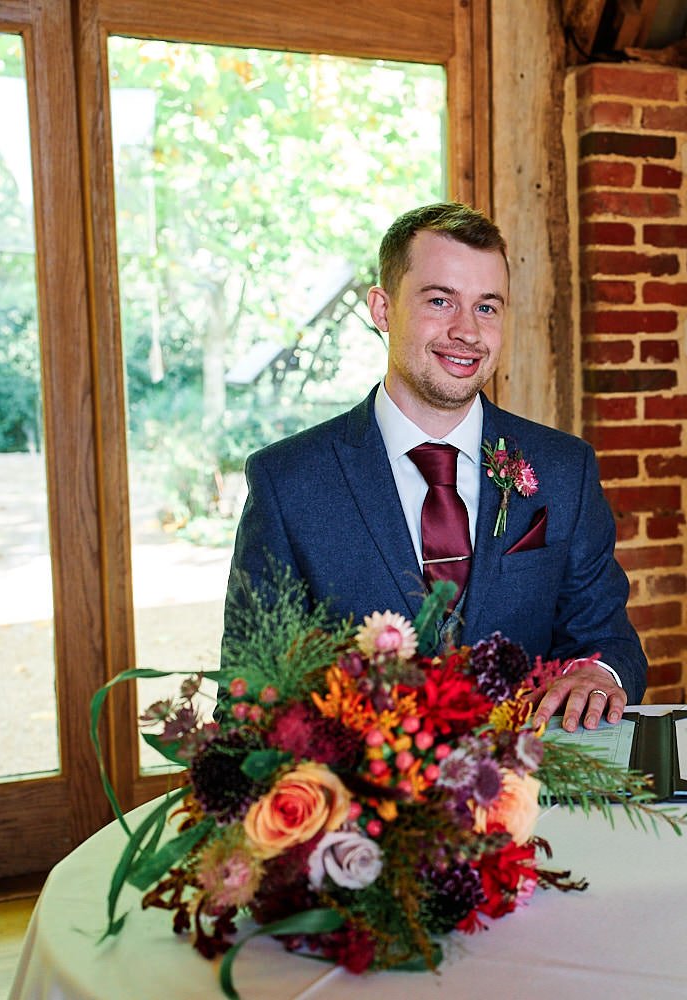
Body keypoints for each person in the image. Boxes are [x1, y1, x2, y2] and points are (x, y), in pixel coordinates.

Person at [223, 201, 645, 730]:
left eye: (487, 307)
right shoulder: (288, 484)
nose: (467, 331)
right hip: (368, 803)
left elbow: (606, 637)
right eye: (441, 301)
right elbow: (250, 699)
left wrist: (599, 671)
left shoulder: (565, 469)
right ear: (382, 309)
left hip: (538, 792)